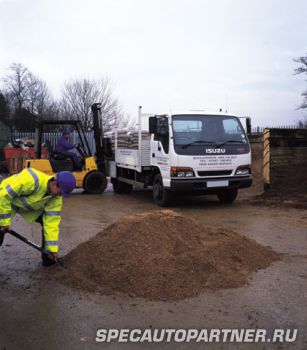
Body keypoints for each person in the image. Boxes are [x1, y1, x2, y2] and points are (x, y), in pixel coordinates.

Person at [0, 168, 76, 266]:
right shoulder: (32, 179)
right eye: (60, 192)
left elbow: (51, 224)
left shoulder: (56, 198)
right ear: (54, 183)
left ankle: (48, 258)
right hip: (5, 201)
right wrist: (4, 222)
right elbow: (4, 195)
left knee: (46, 223)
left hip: (29, 208)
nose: (59, 195)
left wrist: (52, 250)